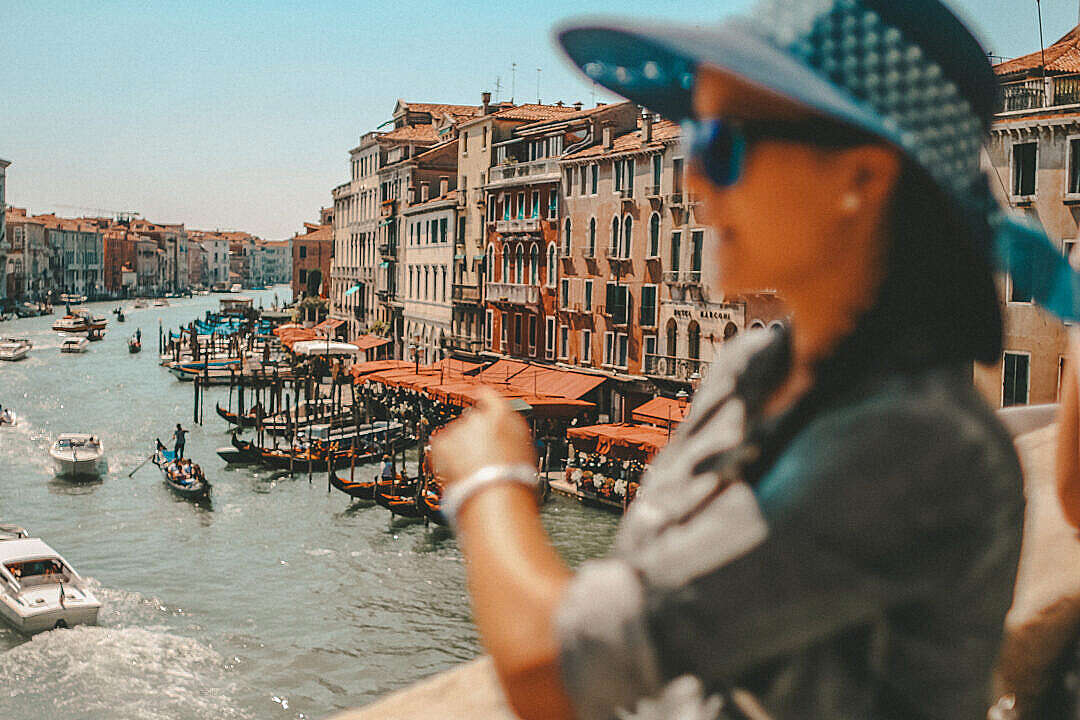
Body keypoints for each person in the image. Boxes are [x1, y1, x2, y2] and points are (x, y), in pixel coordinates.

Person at [428, 2, 1066, 718]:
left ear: (860, 176)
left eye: (724, 143)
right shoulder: (747, 369)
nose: (695, 179)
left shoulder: (917, 452)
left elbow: (555, 670)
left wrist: (490, 481)